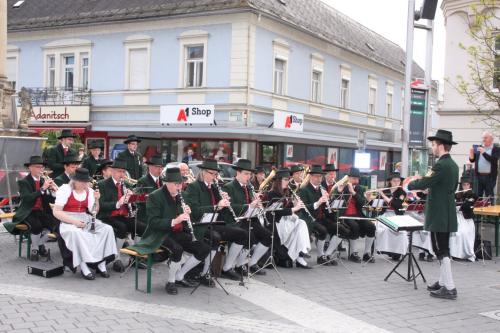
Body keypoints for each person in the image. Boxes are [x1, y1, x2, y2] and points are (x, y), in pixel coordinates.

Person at [128, 167, 211, 295]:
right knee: (177, 249)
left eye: (181, 184)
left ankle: (180, 275)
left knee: (203, 248)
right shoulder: (155, 196)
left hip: (178, 232)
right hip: (159, 234)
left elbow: (192, 218)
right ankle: (171, 281)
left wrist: (189, 213)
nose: (179, 187)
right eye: (176, 184)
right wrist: (175, 220)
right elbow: (153, 222)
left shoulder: (183, 195)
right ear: (167, 183)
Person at [408, 129, 459, 300]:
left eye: (434, 144)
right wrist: (427, 190)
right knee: (443, 248)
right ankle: (443, 282)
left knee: (440, 249)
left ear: (441, 146)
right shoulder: (453, 165)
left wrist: (409, 185)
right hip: (446, 211)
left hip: (439, 213)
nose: (432, 147)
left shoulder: (440, 165)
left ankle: (450, 287)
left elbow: (425, 181)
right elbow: (443, 187)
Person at [183, 159, 248, 282]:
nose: (215, 176)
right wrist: (216, 207)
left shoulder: (214, 187)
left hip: (213, 223)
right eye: (212, 173)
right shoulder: (193, 187)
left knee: (242, 234)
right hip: (199, 225)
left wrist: (225, 201)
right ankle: (205, 273)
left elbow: (222, 209)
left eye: (216, 174)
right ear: (203, 172)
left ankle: (226, 268)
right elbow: (194, 211)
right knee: (215, 237)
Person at [52, 168, 117, 280]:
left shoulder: (90, 191)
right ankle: (83, 265)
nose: (84, 184)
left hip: (85, 218)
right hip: (67, 220)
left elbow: (94, 212)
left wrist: (97, 200)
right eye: (82, 182)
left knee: (107, 229)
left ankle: (101, 262)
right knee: (77, 233)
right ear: (74, 181)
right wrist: (74, 222)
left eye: (86, 182)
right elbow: (56, 212)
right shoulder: (65, 189)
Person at [223, 159, 272, 275]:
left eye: (250, 174)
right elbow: (230, 208)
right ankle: (227, 267)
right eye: (246, 174)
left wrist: (257, 205)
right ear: (238, 173)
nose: (248, 177)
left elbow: (252, 206)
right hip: (235, 220)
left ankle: (248, 263)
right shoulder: (229, 187)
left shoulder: (248, 187)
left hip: (250, 219)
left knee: (267, 236)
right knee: (250, 237)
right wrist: (249, 206)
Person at [4, 156, 59, 261]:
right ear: (30, 168)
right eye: (38, 167)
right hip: (28, 211)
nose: (41, 170)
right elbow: (27, 198)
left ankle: (37, 246)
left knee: (54, 224)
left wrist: (53, 191)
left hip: (42, 210)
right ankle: (36, 249)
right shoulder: (24, 182)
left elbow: (50, 199)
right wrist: (43, 188)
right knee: (37, 226)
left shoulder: (44, 180)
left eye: (42, 167)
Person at [97, 158, 146, 272]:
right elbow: (101, 205)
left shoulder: (126, 184)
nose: (122, 174)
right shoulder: (102, 184)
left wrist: (132, 197)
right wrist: (118, 203)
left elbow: (137, 199)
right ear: (112, 171)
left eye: (123, 172)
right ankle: (116, 258)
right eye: (119, 171)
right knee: (122, 227)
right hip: (108, 215)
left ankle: (135, 257)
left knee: (141, 227)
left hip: (123, 215)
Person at [299, 165, 351, 266]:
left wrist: (332, 197)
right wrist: (318, 203)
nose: (319, 179)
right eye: (317, 176)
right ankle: (320, 256)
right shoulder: (304, 189)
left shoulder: (321, 188)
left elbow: (329, 207)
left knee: (343, 230)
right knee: (323, 231)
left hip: (322, 217)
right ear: (311, 177)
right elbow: (303, 207)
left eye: (320, 177)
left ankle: (327, 255)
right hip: (310, 218)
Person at [265, 168, 311, 268]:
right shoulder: (272, 194)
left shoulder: (286, 192)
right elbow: (277, 212)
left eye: (288, 180)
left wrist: (294, 204)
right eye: (285, 179)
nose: (288, 182)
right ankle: (300, 254)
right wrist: (294, 209)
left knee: (301, 223)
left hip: (285, 222)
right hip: (277, 224)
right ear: (278, 181)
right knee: (299, 224)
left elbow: (287, 208)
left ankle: (302, 251)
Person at [335, 167, 376, 263]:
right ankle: (353, 253)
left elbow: (362, 203)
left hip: (357, 214)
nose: (356, 181)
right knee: (355, 226)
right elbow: (335, 201)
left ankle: (367, 253)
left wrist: (354, 193)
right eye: (354, 179)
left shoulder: (360, 188)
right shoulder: (341, 187)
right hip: (344, 215)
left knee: (371, 226)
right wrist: (339, 191)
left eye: (357, 179)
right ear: (348, 178)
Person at [374, 173, 408, 260]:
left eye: (398, 181)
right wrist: (368, 196)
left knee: (401, 232)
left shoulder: (402, 192)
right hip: (385, 215)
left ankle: (397, 252)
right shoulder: (385, 191)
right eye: (394, 181)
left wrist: (383, 195)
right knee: (383, 229)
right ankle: (386, 250)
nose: (397, 183)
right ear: (390, 182)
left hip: (396, 216)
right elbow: (375, 203)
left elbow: (396, 205)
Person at [450, 176, 477, 261]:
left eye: (467, 185)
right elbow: (452, 205)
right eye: (464, 185)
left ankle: (467, 254)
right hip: (458, 217)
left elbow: (472, 205)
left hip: (467, 218)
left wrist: (468, 202)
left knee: (467, 233)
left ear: (470, 185)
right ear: (461, 186)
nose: (466, 186)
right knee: (458, 233)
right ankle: (456, 254)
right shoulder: (456, 194)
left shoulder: (473, 194)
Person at [469, 131, 499, 201]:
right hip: (478, 176)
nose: (483, 139)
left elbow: (494, 160)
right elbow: (472, 161)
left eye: (485, 137)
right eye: (483, 138)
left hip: (490, 177)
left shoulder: (496, 149)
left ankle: (490, 211)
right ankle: (478, 211)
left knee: (489, 196)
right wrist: (471, 154)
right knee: (477, 196)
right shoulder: (479, 148)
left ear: (491, 139)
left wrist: (484, 152)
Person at [136, 155, 164, 230]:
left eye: (161, 167)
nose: (160, 170)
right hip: (147, 215)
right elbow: (139, 200)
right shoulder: (142, 181)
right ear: (150, 167)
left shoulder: (163, 181)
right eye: (157, 167)